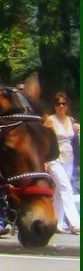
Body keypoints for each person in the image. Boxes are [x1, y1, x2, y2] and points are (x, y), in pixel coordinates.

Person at [46, 93, 80, 235]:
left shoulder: (71, 120)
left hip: (69, 159)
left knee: (60, 192)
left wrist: (78, 130)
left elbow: (75, 141)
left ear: (67, 106)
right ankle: (76, 223)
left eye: (64, 103)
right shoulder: (49, 120)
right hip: (54, 159)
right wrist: (45, 161)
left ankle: (57, 223)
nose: (61, 106)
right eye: (58, 103)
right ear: (54, 106)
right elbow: (44, 142)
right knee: (66, 189)